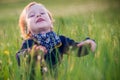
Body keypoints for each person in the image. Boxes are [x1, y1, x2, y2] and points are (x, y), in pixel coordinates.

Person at [16, 1, 96, 79]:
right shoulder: (29, 42)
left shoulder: (60, 40)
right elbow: (19, 57)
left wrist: (88, 44)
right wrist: (32, 53)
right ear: (27, 29)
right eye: (32, 15)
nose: (38, 15)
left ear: (51, 22)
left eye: (43, 13)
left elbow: (76, 48)